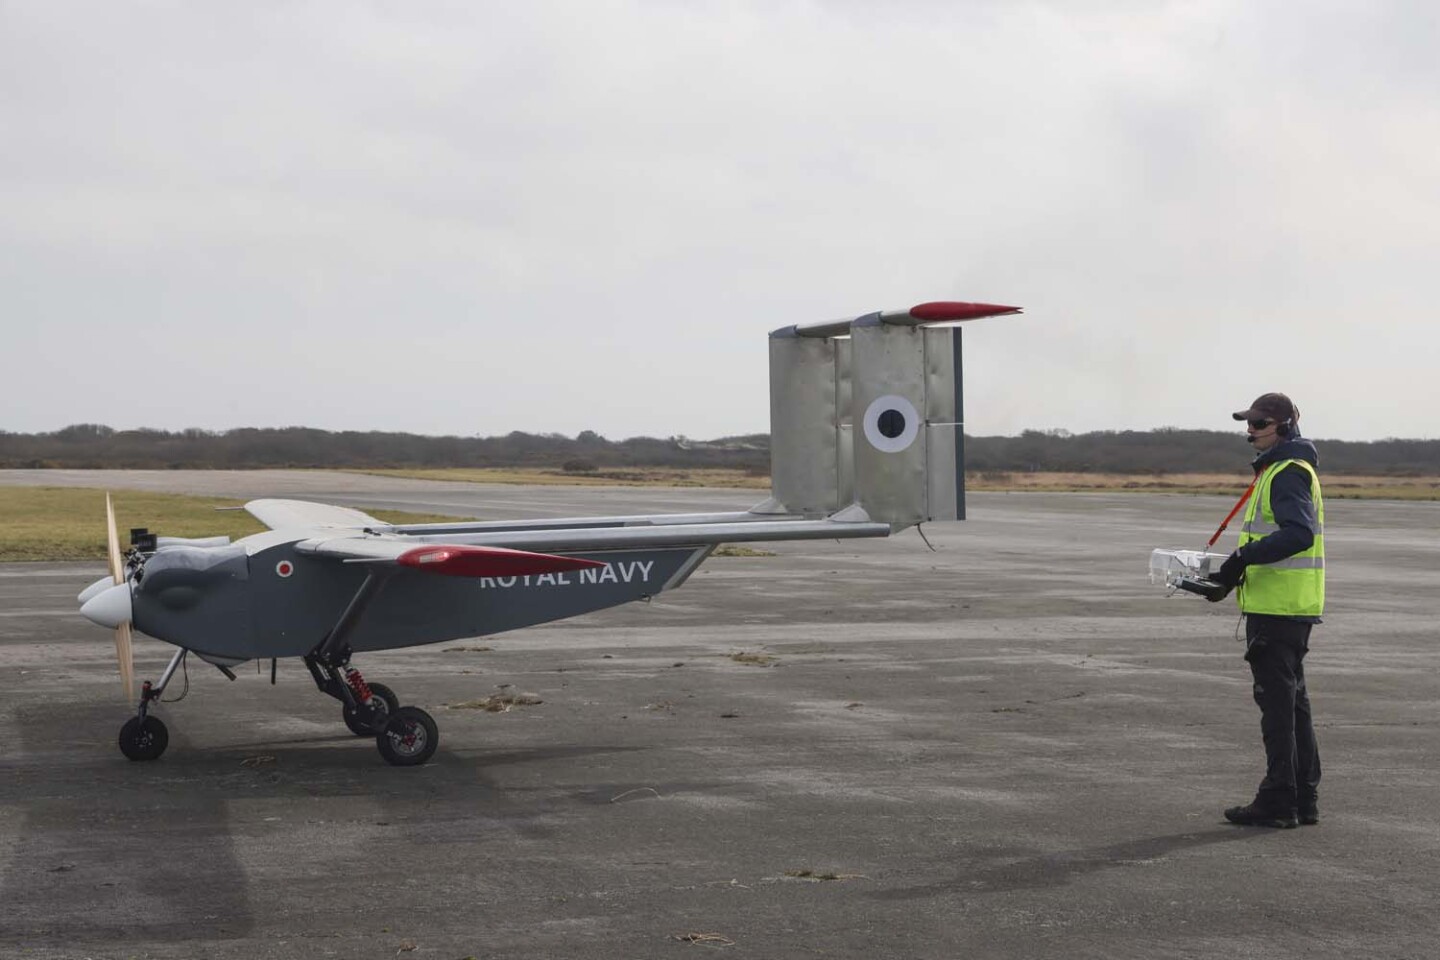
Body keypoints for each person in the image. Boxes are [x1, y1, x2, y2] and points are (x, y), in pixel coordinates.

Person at [1207, 392, 1325, 829]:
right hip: (1288, 606)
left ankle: (1279, 800)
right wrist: (1230, 576)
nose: (1250, 430)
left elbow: (1299, 534)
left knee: (1277, 707)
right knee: (1294, 706)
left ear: (1285, 426)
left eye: (1259, 423)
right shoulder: (1284, 468)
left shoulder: (1287, 473)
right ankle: (1303, 797)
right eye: (1249, 422)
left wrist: (1241, 559)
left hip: (1278, 610)